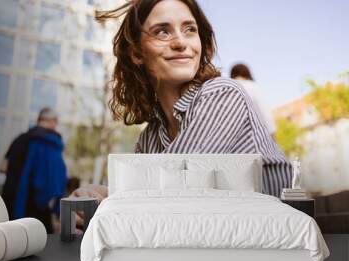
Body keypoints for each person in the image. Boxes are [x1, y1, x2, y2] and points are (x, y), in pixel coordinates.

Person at [71, 0, 291, 199]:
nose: (180, 42)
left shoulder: (223, 94)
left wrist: (107, 196)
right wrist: (96, 198)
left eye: (190, 30)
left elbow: (178, 186)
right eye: (162, 32)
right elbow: (150, 198)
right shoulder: (150, 139)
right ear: (137, 53)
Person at [1, 107, 67, 233]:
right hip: (37, 210)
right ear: (52, 121)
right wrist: (56, 206)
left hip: (11, 204)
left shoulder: (19, 139)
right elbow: (53, 180)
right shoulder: (50, 142)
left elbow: (3, 167)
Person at [230, 63, 276, 137]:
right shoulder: (252, 86)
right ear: (247, 72)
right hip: (257, 135)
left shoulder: (230, 89)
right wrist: (272, 133)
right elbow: (263, 110)